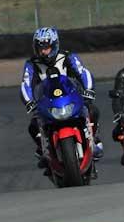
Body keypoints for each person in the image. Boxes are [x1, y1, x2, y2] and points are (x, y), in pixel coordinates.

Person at [20, 27, 104, 167]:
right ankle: (44, 149)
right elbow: (26, 84)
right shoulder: (31, 64)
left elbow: (83, 73)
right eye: (40, 48)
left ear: (54, 45)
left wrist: (88, 90)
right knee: (33, 126)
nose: (43, 51)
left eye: (46, 47)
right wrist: (29, 102)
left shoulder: (68, 56)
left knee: (93, 110)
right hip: (47, 102)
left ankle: (94, 140)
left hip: (71, 97)